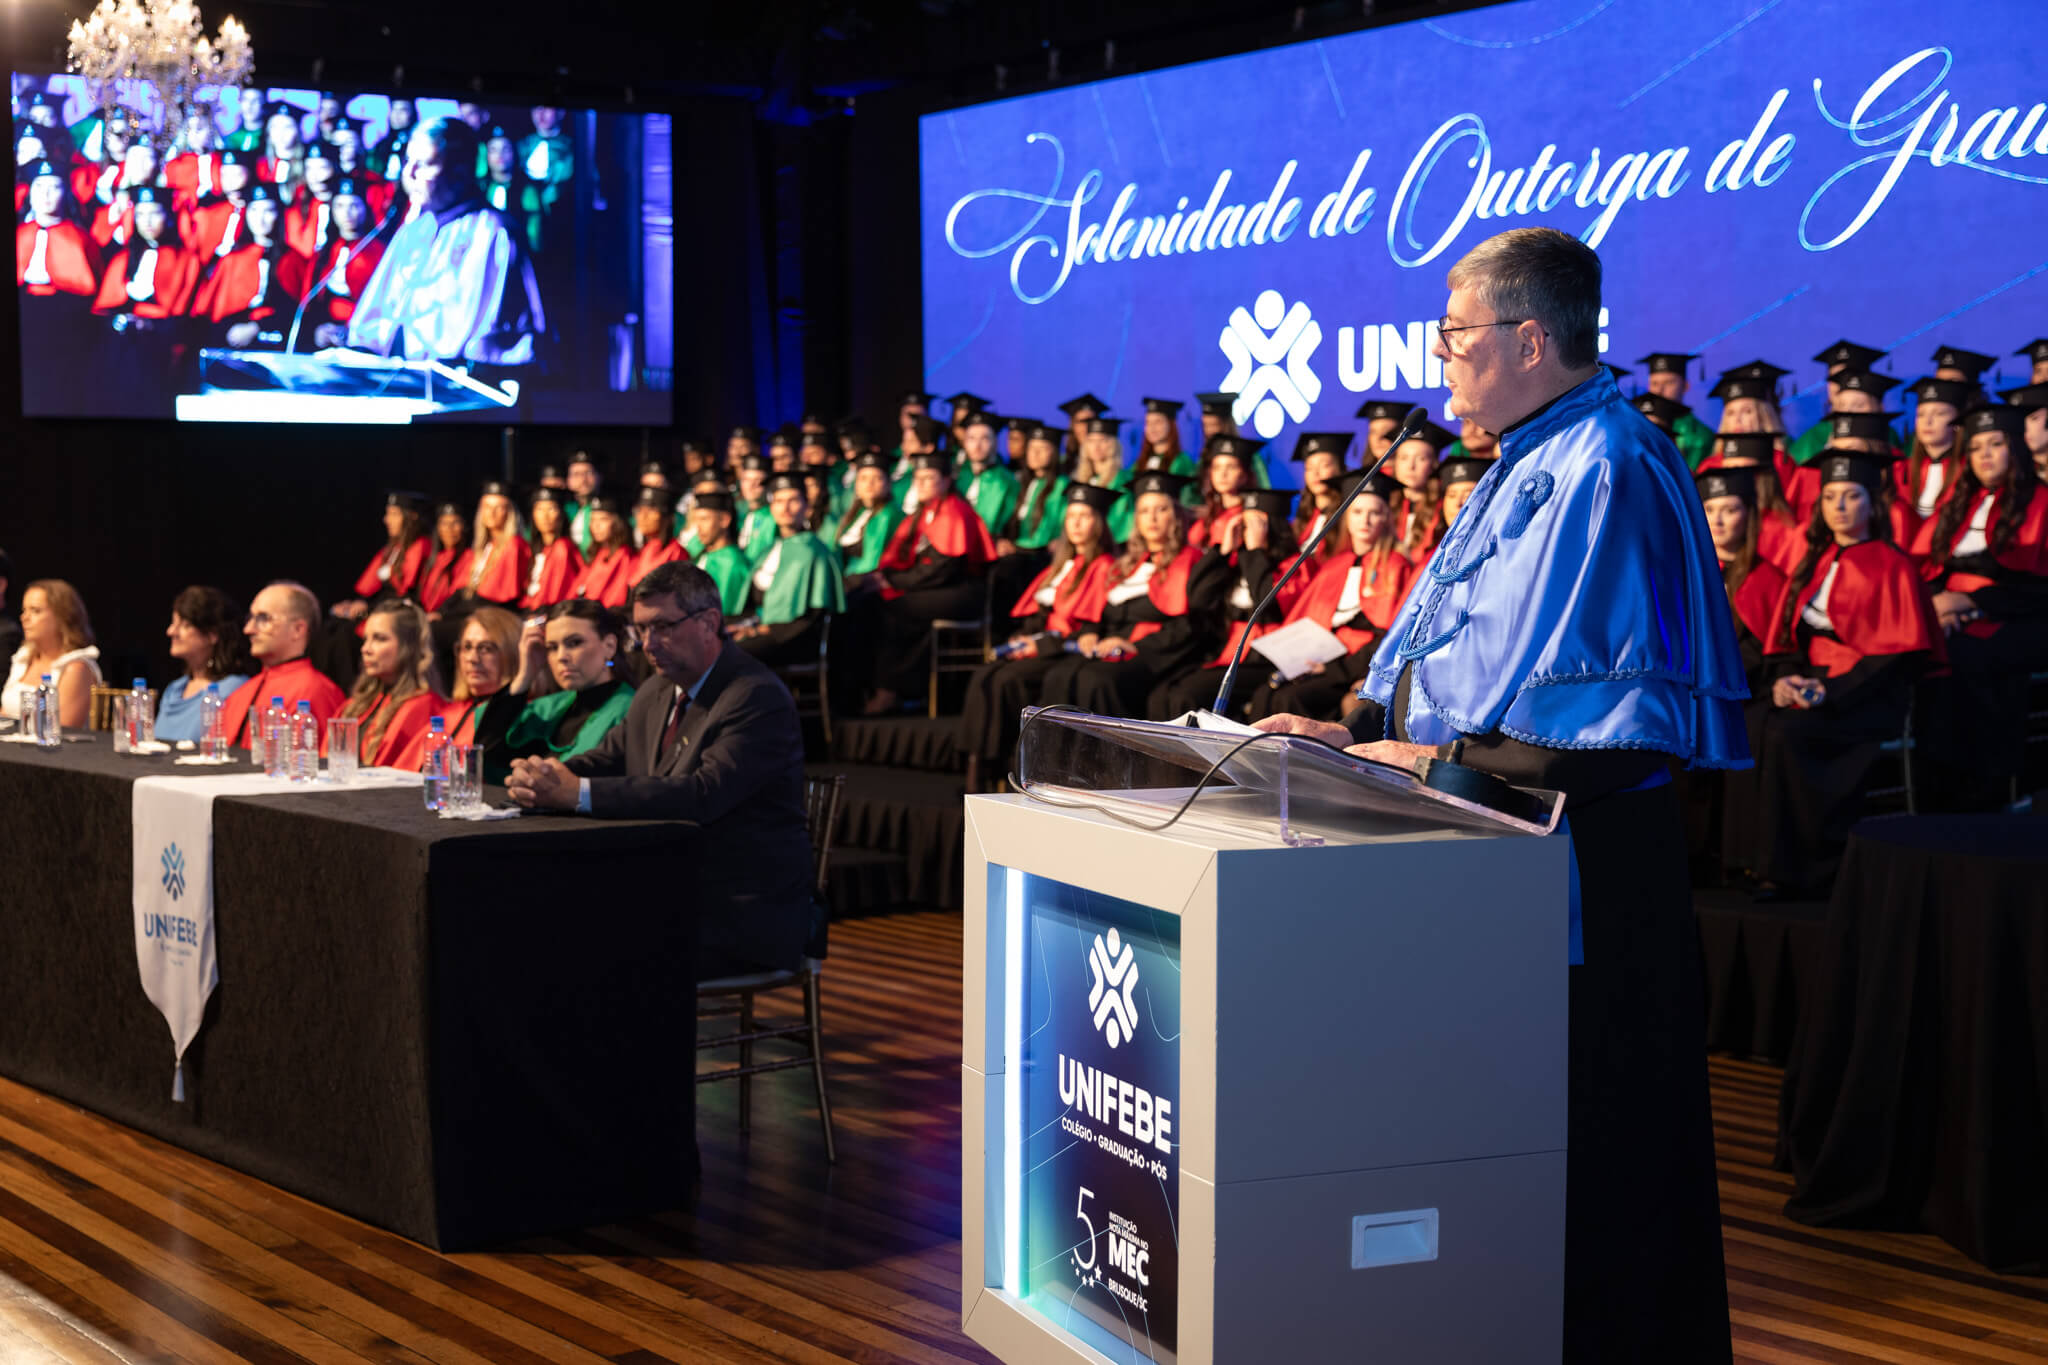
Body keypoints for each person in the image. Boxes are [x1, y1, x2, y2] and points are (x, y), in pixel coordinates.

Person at [1255, 228, 1744, 1361]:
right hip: (1496, 863)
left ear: (1528, 340)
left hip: (1586, 880)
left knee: (1599, 1193)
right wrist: (1350, 734)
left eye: (1454, 335)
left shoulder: (1608, 466)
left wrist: (1424, 766)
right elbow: (1463, 669)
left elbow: (1606, 736)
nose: (1442, 358)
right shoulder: (1531, 459)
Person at [507, 562, 816, 982]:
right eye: (641, 630)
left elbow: (703, 795)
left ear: (709, 622)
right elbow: (609, 756)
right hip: (668, 890)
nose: (649, 644)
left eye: (663, 627)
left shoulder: (755, 696)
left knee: (576, 939)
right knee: (539, 918)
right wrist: (545, 775)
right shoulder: (656, 689)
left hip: (738, 915)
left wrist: (577, 792)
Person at [1750, 449, 1939, 892]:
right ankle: (1762, 860)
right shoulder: (1815, 560)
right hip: (1816, 683)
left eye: (1851, 496)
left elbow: (1895, 657)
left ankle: (1814, 867)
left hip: (1867, 694)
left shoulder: (1893, 565)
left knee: (1789, 733)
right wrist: (1784, 681)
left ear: (1872, 504)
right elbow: (1791, 638)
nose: (1839, 506)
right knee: (1758, 722)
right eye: (1830, 496)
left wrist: (1830, 691)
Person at [1910, 404, 2048, 809]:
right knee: (1931, 658)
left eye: (1995, 444)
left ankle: (1987, 791)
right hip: (1953, 618)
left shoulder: (2041, 500)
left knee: (1968, 657)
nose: (1984, 455)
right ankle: (1937, 791)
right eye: (1975, 447)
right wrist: (1942, 606)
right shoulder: (1959, 502)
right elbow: (1930, 567)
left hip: (2024, 616)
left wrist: (1972, 602)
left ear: (2015, 448)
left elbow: (2039, 586)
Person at [345, 116, 545, 369]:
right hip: (396, 377)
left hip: (457, 383)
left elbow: (492, 340)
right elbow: (373, 322)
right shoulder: (413, 230)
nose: (409, 174)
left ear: (459, 171)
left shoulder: (494, 232)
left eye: (424, 164)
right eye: (408, 162)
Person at [958, 483, 1122, 791]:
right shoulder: (1059, 567)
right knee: (985, 675)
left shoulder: (1105, 567)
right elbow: (1038, 614)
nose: (1075, 523)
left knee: (1005, 680)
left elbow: (1091, 627)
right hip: (1042, 646)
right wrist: (1023, 638)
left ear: (1100, 523)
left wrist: (1039, 644)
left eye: (1085, 516)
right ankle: (978, 769)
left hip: (1064, 652)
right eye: (1070, 516)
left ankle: (1007, 770)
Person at [1037, 471, 1214, 718]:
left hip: (1160, 653)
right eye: (1144, 511)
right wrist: (1091, 632)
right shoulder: (1128, 564)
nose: (1152, 518)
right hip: (1113, 646)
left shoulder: (1193, 561)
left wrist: (1135, 645)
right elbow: (1103, 611)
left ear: (1176, 515)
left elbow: (1192, 625)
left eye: (1161, 509)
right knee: (1059, 675)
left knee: (1096, 680)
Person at [1249, 472, 1419, 722]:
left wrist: (1333, 669)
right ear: (1346, 517)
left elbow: (1389, 634)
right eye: (1357, 512)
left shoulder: (1395, 565)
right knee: (1264, 694)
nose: (1365, 521)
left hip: (1354, 665)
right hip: (1319, 658)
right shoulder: (1335, 565)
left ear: (1386, 518)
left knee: (1291, 699)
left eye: (1374, 513)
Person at [1688, 467, 1789, 884]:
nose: (1718, 519)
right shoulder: (1684, 571)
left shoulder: (1768, 578)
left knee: (1752, 732)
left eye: (1729, 509)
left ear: (1749, 516)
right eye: (1710, 509)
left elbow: (1771, 649)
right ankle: (1690, 855)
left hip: (1747, 690)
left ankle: (1738, 858)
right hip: (1689, 687)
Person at [862, 452, 998, 714]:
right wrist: (886, 577)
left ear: (946, 481)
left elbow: (943, 570)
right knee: (872, 601)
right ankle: (897, 689)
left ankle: (891, 690)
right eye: (918, 479)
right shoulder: (923, 513)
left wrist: (893, 581)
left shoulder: (954, 512)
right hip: (936, 588)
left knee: (895, 607)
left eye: (929, 478)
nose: (921, 484)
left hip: (963, 591)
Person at [1153, 487, 1302, 720]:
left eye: (1255, 523)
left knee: (1189, 694)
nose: (1247, 530)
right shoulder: (1239, 562)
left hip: (1265, 660)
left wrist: (1255, 551)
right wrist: (1222, 552)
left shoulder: (1295, 565)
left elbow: (1268, 602)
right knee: (1161, 693)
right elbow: (1198, 598)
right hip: (1229, 652)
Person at [495, 599, 637, 783]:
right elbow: (491, 753)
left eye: (574, 643)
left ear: (609, 646)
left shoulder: (630, 709)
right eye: (552, 648)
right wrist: (525, 675)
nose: (561, 657)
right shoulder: (552, 706)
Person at [727, 474, 847, 667]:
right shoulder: (768, 550)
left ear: (806, 507)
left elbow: (813, 617)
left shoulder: (815, 551)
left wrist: (760, 630)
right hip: (760, 626)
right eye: (779, 501)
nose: (785, 508)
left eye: (793, 500)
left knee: (730, 654)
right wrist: (745, 626)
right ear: (771, 508)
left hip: (792, 637)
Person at [388, 605, 523, 771]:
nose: (472, 658)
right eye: (467, 647)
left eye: (486, 648)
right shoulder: (450, 713)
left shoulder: (522, 716)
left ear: (513, 653)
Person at [220, 581, 348, 748]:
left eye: (263, 619)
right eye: (250, 618)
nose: (248, 629)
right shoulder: (240, 695)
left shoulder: (317, 692)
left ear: (298, 629)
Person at [190, 183, 310, 349]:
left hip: (278, 342)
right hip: (233, 343)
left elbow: (299, 310)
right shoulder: (232, 260)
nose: (260, 219)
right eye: (254, 210)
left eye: (268, 211)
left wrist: (257, 327)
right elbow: (214, 312)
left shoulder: (292, 259)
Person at [340, 601, 444, 767]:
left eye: (379, 639)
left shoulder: (423, 706)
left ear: (408, 646)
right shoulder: (360, 701)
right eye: (366, 639)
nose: (366, 649)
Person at [152, 586, 253, 743]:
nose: (171, 631)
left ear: (212, 634)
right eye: (173, 623)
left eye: (184, 625)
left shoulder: (236, 690)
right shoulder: (173, 690)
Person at [302, 178, 390, 348]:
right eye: (340, 206)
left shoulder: (380, 252)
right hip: (326, 335)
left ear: (365, 208)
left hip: (365, 336)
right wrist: (316, 330)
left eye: (354, 206)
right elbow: (310, 304)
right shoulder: (324, 254)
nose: (347, 213)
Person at [2, 579, 101, 729]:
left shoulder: (76, 667)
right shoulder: (24, 658)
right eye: (24, 610)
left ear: (62, 615)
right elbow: (5, 714)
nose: (24, 617)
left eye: (35, 611)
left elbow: (63, 729)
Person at [330, 491, 432, 622]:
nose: (386, 519)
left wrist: (367, 608)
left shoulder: (421, 547)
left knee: (344, 628)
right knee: (336, 619)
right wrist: (357, 603)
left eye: (394, 514)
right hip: (380, 608)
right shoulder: (394, 548)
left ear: (412, 517)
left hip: (399, 616)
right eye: (387, 513)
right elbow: (373, 584)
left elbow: (405, 594)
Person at [1894, 377, 1972, 544]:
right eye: (1921, 414)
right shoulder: (1901, 470)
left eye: (1939, 414)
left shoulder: (1969, 469)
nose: (1927, 422)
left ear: (1957, 422)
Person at [1786, 340, 1888, 466]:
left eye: (1848, 377)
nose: (1839, 386)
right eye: (1833, 378)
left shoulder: (1888, 437)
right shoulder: (1809, 441)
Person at [1388, 417, 1456, 563]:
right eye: (1404, 458)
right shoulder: (1385, 506)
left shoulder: (1444, 511)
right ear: (1395, 462)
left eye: (1421, 458)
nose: (1411, 466)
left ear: (1434, 464)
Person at [834, 451, 904, 583]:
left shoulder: (888, 515)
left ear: (888, 483)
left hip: (865, 584)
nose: (869, 484)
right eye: (863, 478)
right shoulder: (856, 513)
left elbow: (873, 562)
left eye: (877, 478)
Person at [1638, 352, 1715, 468]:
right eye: (1654, 383)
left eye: (1669, 383)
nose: (1659, 390)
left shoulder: (1702, 436)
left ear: (1685, 386)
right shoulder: (1636, 426)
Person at [955, 411, 1020, 546]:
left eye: (984, 439)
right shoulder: (955, 475)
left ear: (995, 442)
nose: (977, 446)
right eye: (971, 439)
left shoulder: (1007, 481)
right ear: (964, 442)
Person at [687, 487, 754, 614]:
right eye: (697, 520)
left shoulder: (732, 563)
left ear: (724, 520)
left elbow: (723, 612)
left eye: (704, 519)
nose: (698, 527)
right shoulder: (702, 554)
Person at [520, 486, 586, 610]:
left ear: (561, 514)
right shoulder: (531, 548)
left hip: (550, 611)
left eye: (551, 509)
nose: (545, 516)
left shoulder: (563, 547)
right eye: (539, 509)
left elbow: (557, 594)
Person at [1289, 431, 1351, 555]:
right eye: (1309, 468)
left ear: (1341, 468)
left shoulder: (1348, 517)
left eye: (1324, 465)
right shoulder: (1301, 520)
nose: (1315, 473)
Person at [1188, 433, 1254, 549]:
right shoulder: (1209, 517)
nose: (1223, 474)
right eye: (1217, 467)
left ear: (1244, 475)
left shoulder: (1249, 518)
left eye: (1231, 467)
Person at [569, 496, 636, 608]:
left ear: (617, 522)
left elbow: (615, 599)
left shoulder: (623, 555)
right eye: (593, 520)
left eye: (603, 519)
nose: (596, 526)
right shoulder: (597, 553)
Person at [417, 502, 473, 612]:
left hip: (449, 615)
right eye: (444, 523)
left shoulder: (469, 557)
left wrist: (440, 614)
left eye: (455, 523)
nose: (449, 529)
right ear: (438, 528)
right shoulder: (434, 558)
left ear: (464, 527)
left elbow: (460, 595)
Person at [627, 486, 686, 588]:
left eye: (651, 510)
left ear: (667, 518)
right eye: (640, 510)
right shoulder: (646, 550)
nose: (643, 516)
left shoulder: (676, 553)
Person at [370, 98, 416, 183]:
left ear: (412, 114)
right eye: (394, 109)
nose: (396, 115)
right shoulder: (381, 145)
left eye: (403, 110)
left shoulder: (417, 145)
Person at [565, 451, 602, 553]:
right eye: (576, 474)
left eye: (588, 473)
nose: (583, 480)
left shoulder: (613, 510)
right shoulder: (563, 510)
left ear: (599, 477)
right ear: (568, 480)